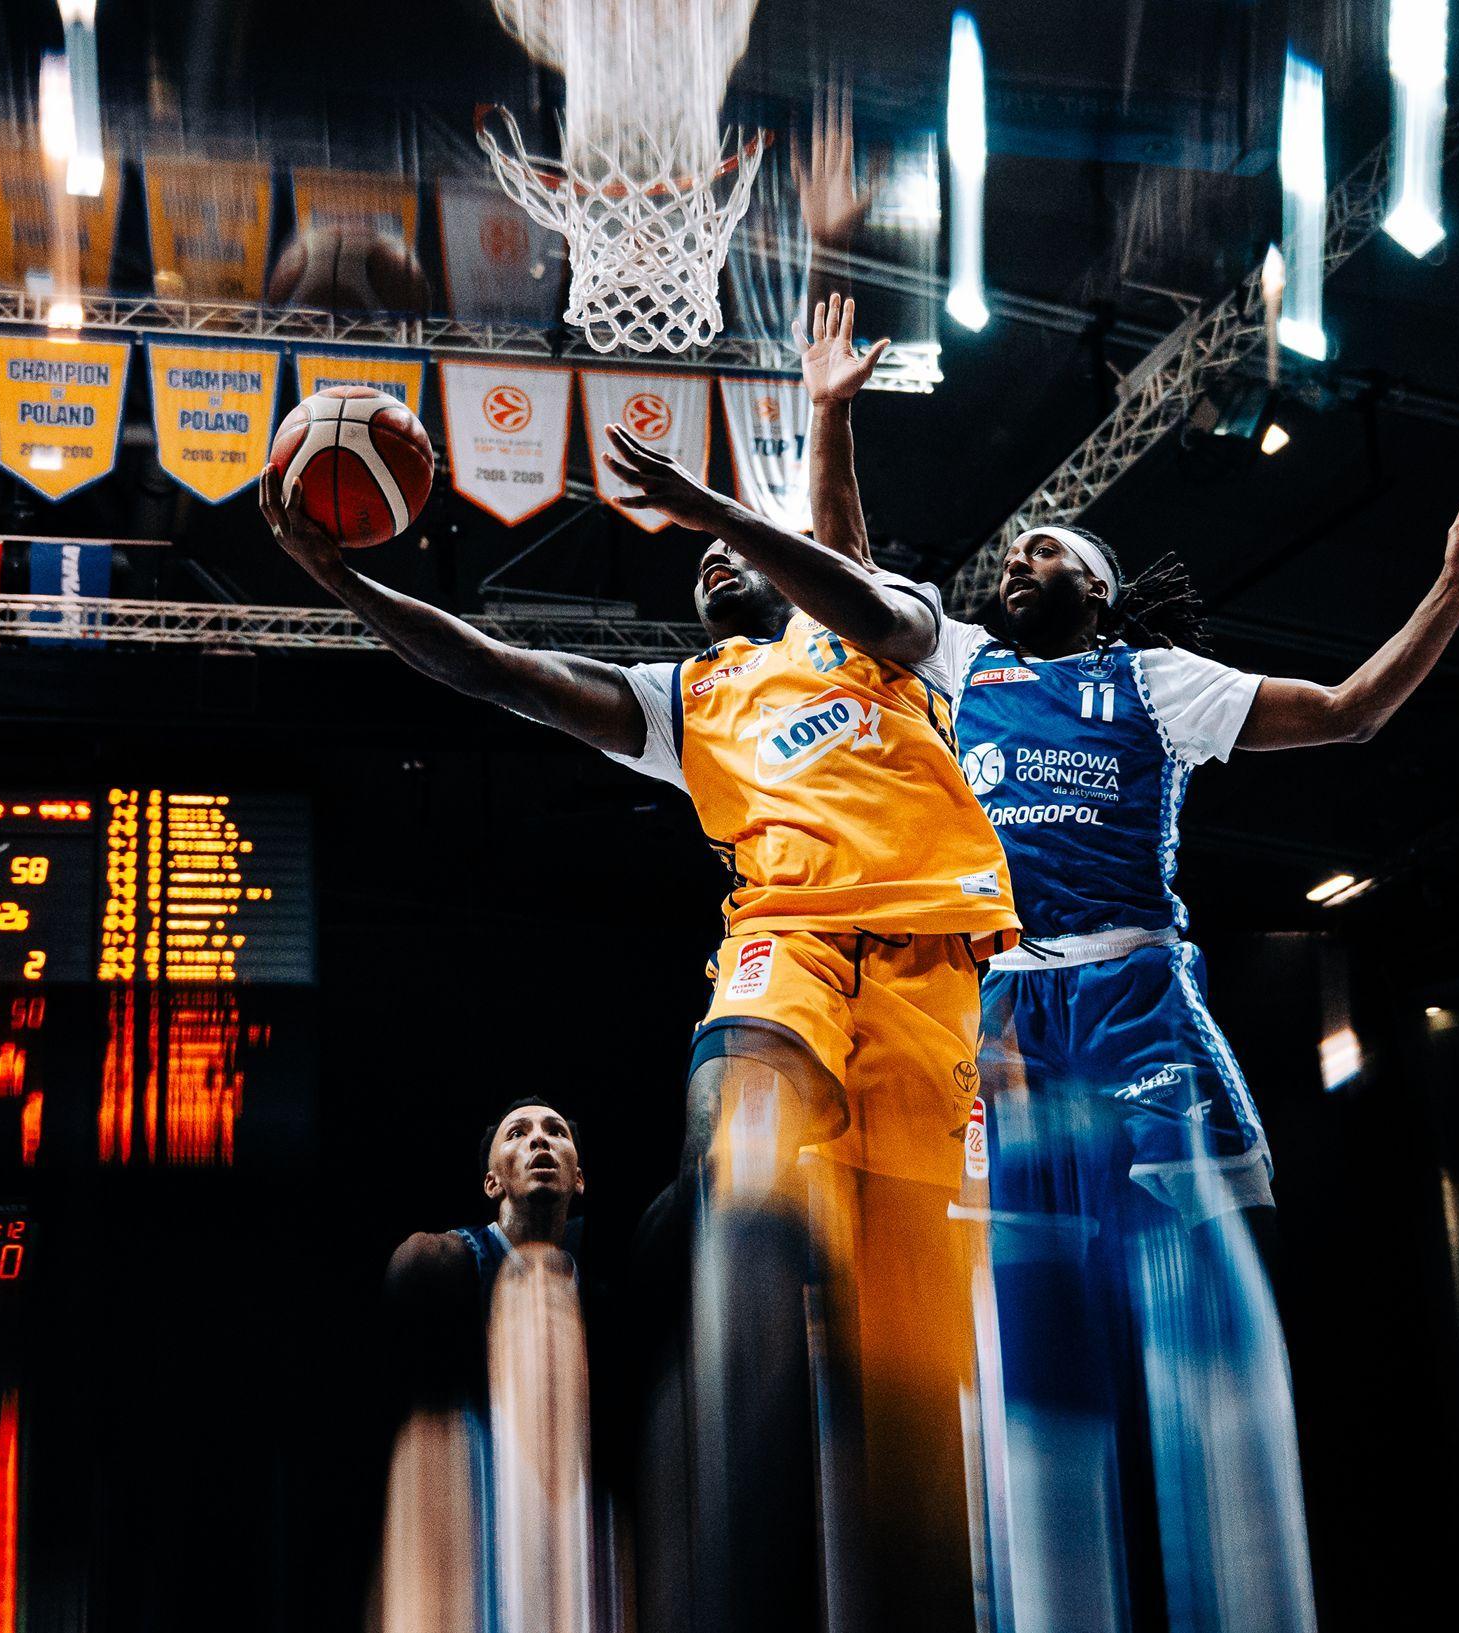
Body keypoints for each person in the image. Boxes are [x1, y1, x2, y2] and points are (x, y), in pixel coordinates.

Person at [799, 293, 1459, 1633]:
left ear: (1092, 586)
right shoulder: (963, 665)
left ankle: (1249, 1572)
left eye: (1042, 548)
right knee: (1027, 1327)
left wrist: (1449, 590)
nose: (1015, 559)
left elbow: (1349, 714)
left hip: (1136, 999)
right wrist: (828, 417)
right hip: (1009, 1016)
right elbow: (842, 582)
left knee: (1203, 1292)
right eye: (1010, 550)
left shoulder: (1154, 680)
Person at [260, 419, 1017, 1633]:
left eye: (733, 554)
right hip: (787, 940)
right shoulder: (690, 699)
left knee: (910, 1388)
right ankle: (715, 1542)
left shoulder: (883, 633)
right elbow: (498, 671)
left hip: (933, 978)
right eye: (699, 557)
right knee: (742, 1150)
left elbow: (856, 587)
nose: (709, 564)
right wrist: (345, 583)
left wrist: (729, 501)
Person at [380, 1098, 595, 1633]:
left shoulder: (600, 1302)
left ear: (579, 1179)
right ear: (491, 1182)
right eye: (518, 1133)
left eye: (555, 1131)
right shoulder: (442, 1265)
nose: (539, 1140)